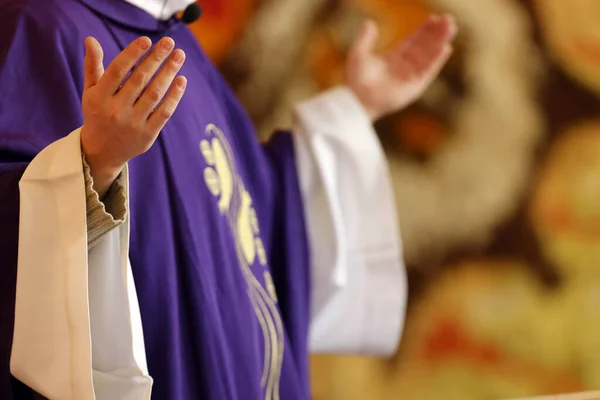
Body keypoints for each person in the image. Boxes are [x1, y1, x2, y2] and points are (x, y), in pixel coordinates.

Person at [0, 0, 456, 398]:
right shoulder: (38, 25)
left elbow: (250, 212)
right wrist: (91, 164)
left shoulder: (179, 43)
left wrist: (355, 109)